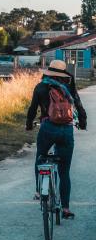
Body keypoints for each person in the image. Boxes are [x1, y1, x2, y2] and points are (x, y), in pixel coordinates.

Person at [26, 59, 87, 219]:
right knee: (64, 171)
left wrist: (28, 125)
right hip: (66, 130)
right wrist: (82, 122)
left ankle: (40, 191)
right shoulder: (67, 88)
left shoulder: (40, 87)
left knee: (41, 156)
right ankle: (65, 208)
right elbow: (79, 107)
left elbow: (32, 109)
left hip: (47, 128)